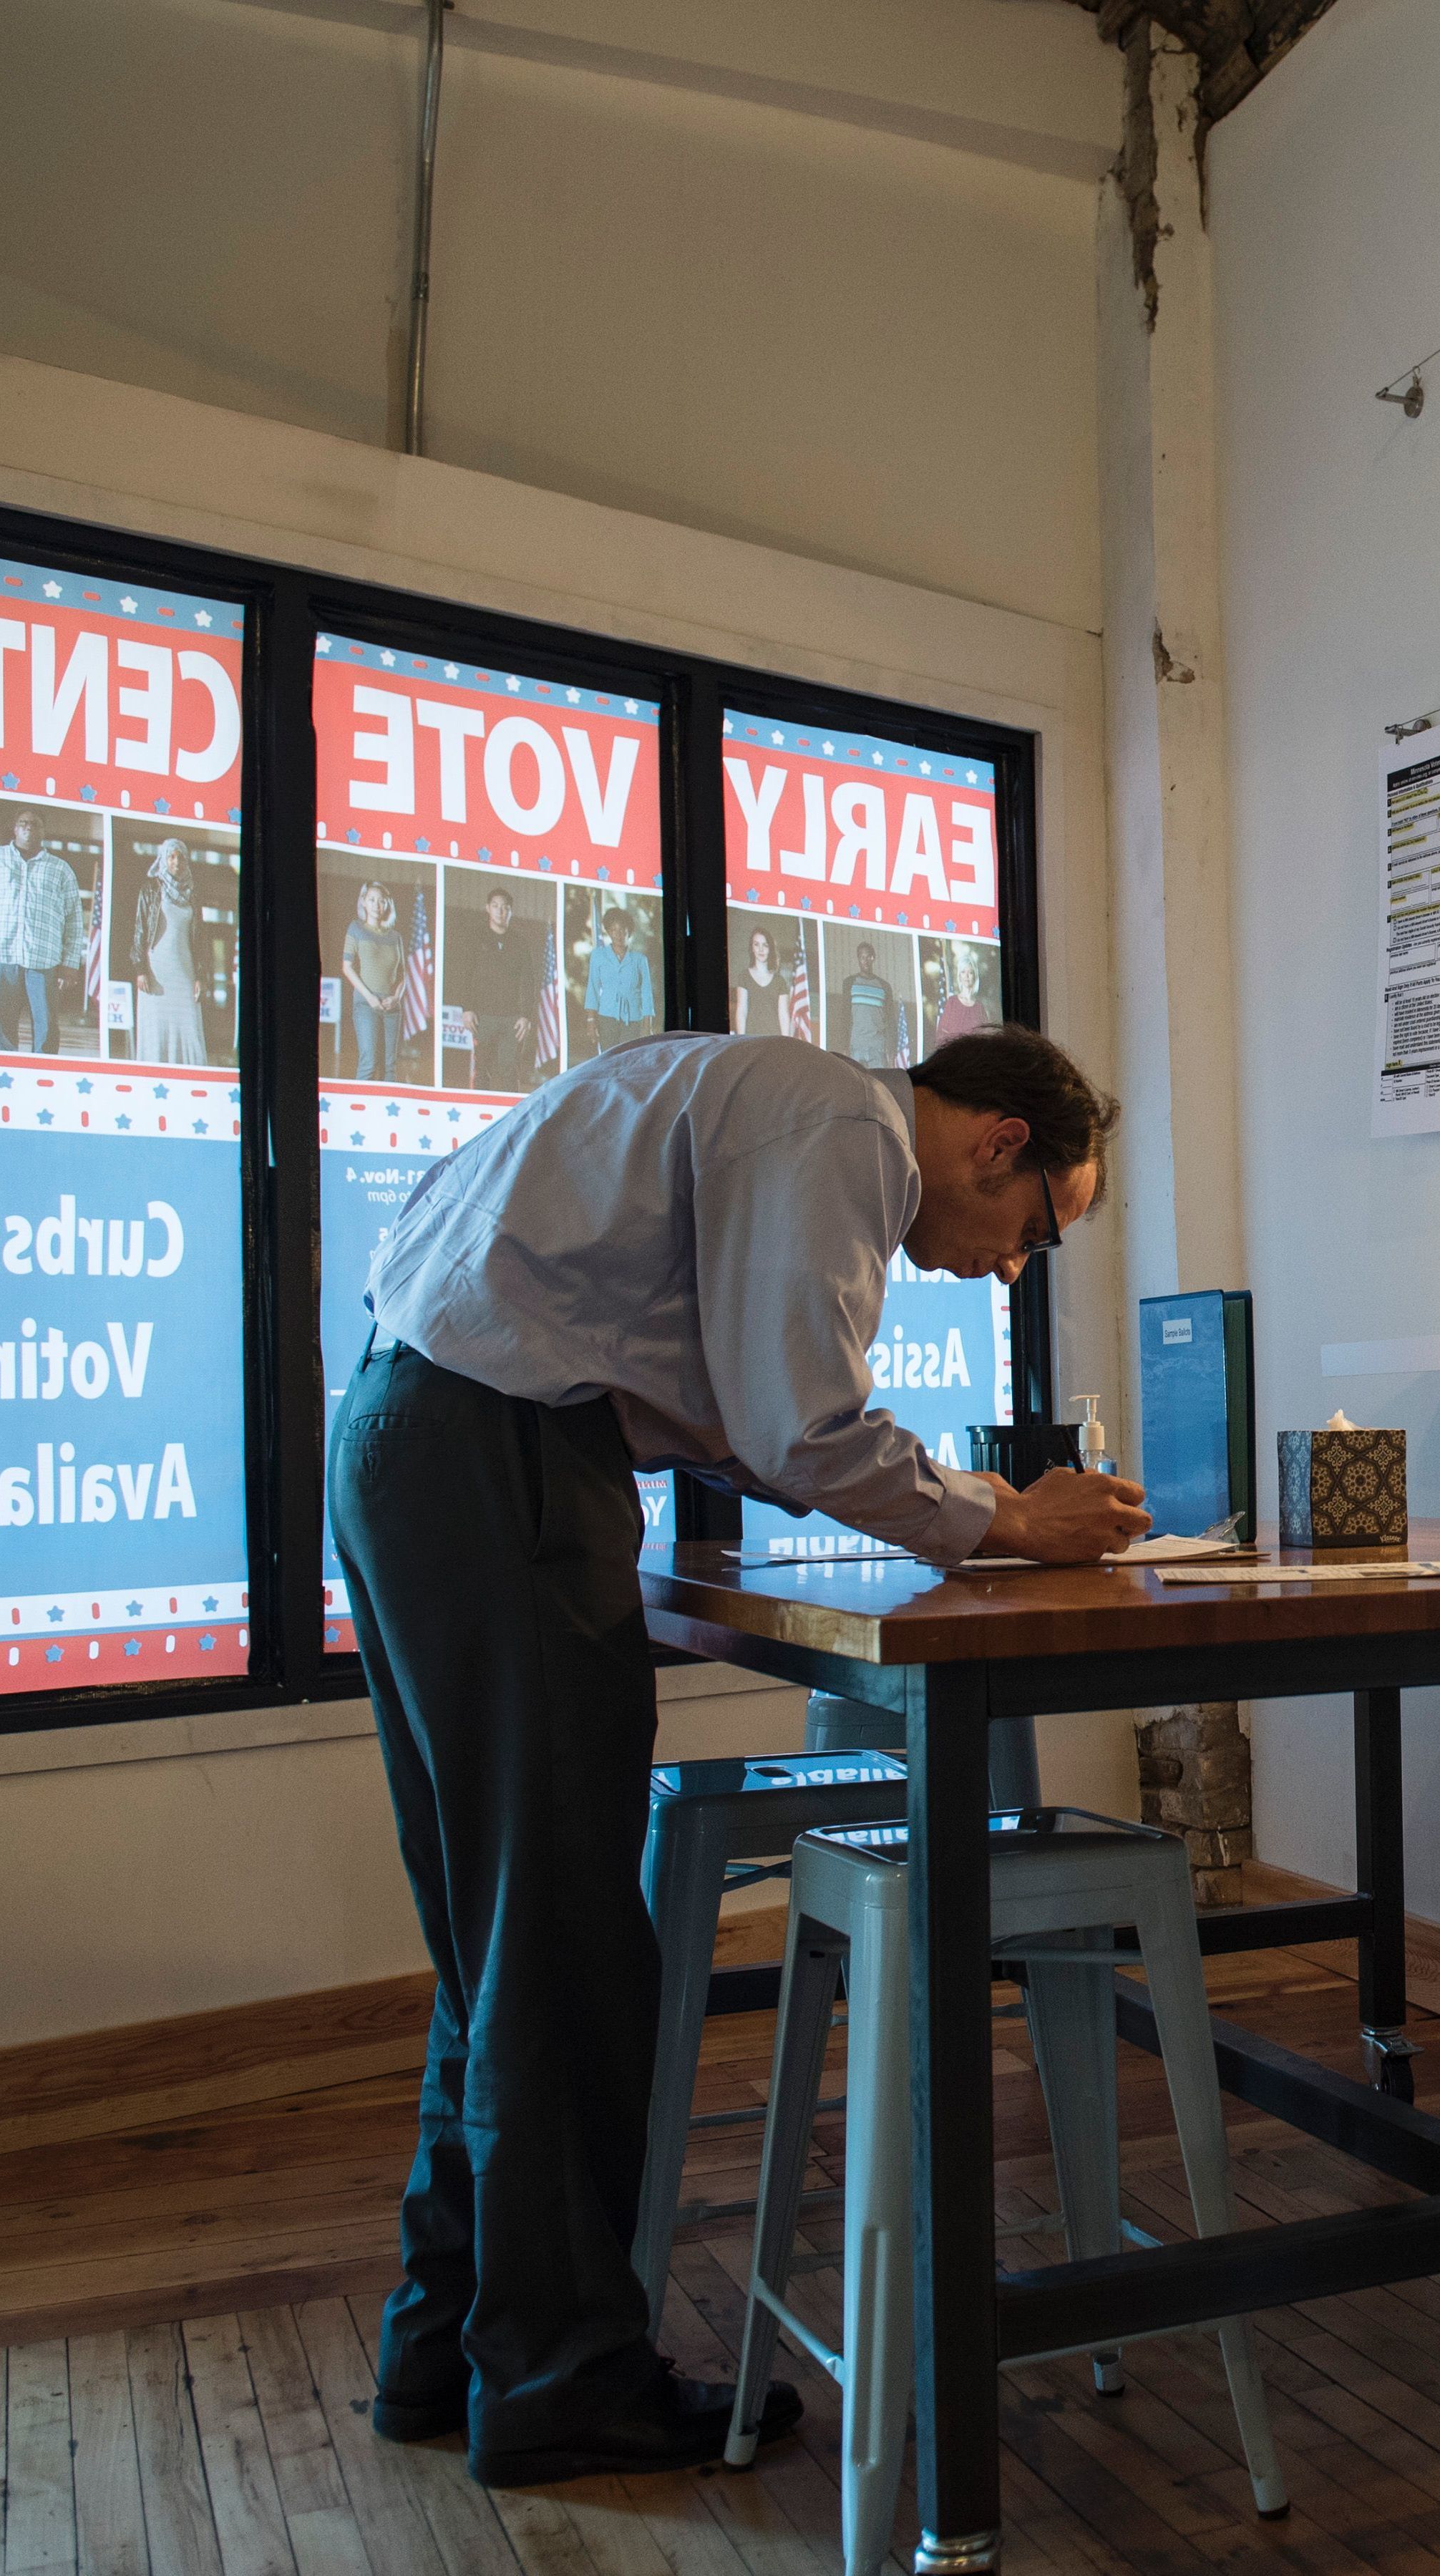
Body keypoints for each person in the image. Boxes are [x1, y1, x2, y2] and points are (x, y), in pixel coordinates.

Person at [328, 1021, 1139, 2488]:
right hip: (500, 1457)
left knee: (497, 1929)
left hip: (405, 1426)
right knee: (563, 1936)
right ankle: (563, 2378)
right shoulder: (842, 1127)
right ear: (994, 1140)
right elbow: (802, 1422)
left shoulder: (748, 1086)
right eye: (1031, 1232)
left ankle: (447, 2340)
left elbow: (746, 1413)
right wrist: (1009, 1515)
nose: (1008, 1265)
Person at [0, 808, 83, 1055]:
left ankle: (44, 1076)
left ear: (43, 831)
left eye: (35, 824)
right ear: (14, 828)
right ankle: (1, 1075)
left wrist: (70, 963)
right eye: (23, 823)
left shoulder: (61, 869)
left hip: (44, 961)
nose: (28, 828)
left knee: (46, 1027)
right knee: (2, 1025)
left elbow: (74, 919)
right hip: (2, 956)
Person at [132, 842, 208, 1066]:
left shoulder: (193, 893)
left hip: (184, 969)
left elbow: (200, 939)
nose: (176, 862)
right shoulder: (150, 889)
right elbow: (139, 931)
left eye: (181, 857)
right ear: (164, 859)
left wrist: (200, 977)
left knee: (190, 1026)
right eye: (172, 857)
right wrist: (140, 970)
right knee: (157, 1028)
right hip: (156, 969)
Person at [457, 885, 537, 1092]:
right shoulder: (476, 937)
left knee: (510, 1070)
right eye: (496, 906)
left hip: (511, 1019)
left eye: (505, 907)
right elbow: (464, 975)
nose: (501, 911)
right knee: (482, 1070)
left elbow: (528, 981)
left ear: (511, 911)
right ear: (488, 908)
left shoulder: (520, 942)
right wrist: (467, 1009)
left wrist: (526, 1016)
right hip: (483, 1016)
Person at [342, 880, 407, 1084]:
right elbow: (347, 967)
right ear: (363, 902)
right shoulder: (356, 929)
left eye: (381, 901)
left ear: (388, 905)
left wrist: (396, 997)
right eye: (371, 900)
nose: (376, 905)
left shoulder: (395, 937)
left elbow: (404, 975)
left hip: (391, 1006)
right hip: (365, 1003)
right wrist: (370, 998)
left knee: (390, 1066)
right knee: (369, 1061)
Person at [585, 904, 657, 1053]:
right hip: (607, 1019)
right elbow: (592, 988)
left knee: (630, 1059)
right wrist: (591, 1021)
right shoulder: (599, 956)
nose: (618, 934)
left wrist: (647, 1025)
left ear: (628, 932)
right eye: (613, 930)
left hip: (634, 1020)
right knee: (609, 1060)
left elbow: (646, 993)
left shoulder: (640, 960)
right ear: (608, 932)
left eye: (622, 930)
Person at [841, 940, 895, 1066]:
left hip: (878, 1047)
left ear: (873, 958)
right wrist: (845, 1046)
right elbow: (844, 1016)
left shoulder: (884, 986)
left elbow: (890, 1019)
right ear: (858, 959)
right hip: (856, 1046)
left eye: (868, 957)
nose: (865, 961)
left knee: (877, 1084)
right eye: (862, 957)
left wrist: (890, 1049)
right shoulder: (850, 983)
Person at [730, 924, 777, 1034]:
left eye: (765, 945)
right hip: (753, 1037)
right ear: (752, 948)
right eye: (756, 944)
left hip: (774, 1038)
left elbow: (784, 1016)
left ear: (770, 948)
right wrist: (742, 1039)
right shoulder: (744, 977)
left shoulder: (779, 981)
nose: (761, 949)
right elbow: (742, 1011)